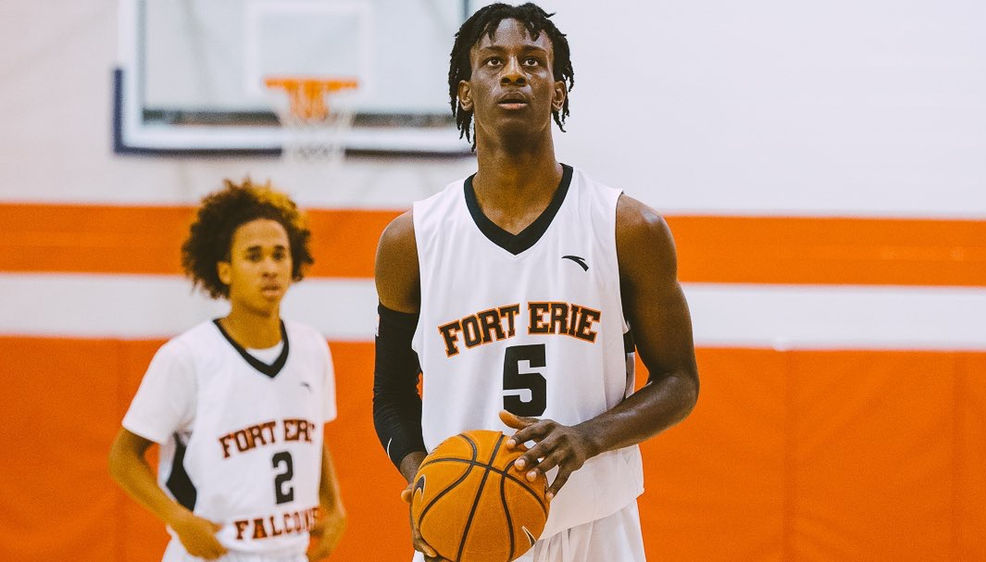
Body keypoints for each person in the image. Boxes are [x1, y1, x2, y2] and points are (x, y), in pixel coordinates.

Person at [373, 3, 699, 561]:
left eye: (532, 61)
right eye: (492, 61)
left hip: (595, 527)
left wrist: (587, 437)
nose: (513, 73)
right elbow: (391, 396)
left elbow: (680, 381)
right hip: (463, 531)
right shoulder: (412, 240)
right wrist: (428, 484)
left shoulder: (626, 228)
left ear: (559, 90)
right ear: (465, 92)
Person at [109, 179, 347, 562]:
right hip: (215, 554)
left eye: (279, 255)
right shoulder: (187, 357)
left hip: (290, 553)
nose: (269, 268)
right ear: (224, 270)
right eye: (254, 256)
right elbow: (123, 457)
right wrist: (178, 518)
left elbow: (311, 436)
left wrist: (334, 505)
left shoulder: (311, 347)